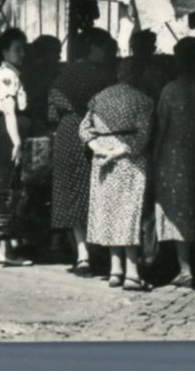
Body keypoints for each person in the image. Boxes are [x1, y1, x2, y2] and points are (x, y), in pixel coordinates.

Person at [80, 58, 157, 291]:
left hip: (102, 160)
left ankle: (115, 270)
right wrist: (118, 152)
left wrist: (99, 148)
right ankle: (132, 273)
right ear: (135, 75)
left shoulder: (99, 97)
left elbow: (83, 129)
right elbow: (143, 136)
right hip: (128, 161)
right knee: (129, 214)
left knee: (110, 213)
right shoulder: (142, 100)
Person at [48, 27, 117, 276]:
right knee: (95, 192)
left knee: (72, 194)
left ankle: (82, 254)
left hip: (68, 134)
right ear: (93, 48)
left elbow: (52, 111)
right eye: (103, 47)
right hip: (96, 135)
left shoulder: (64, 75)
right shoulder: (106, 77)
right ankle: (99, 250)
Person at [153, 37, 195, 288]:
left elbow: (162, 127)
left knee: (179, 212)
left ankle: (186, 270)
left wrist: (156, 157)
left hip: (174, 157)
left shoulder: (170, 90)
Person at [0, 28, 33, 267]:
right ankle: (4, 250)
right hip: (7, 136)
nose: (22, 53)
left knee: (13, 189)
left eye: (23, 49)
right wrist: (16, 142)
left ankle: (9, 245)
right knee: (6, 189)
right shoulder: (6, 76)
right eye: (17, 49)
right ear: (5, 51)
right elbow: (8, 111)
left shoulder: (13, 74)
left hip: (9, 135)